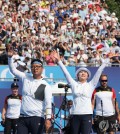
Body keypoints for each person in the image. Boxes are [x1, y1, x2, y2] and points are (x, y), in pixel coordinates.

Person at [51, 50, 108, 134]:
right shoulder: (73, 84)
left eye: (85, 72)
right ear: (77, 75)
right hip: (75, 114)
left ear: (88, 76)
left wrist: (106, 61)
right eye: (81, 72)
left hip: (87, 114)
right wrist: (59, 61)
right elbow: (66, 73)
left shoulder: (91, 84)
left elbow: (99, 72)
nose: (83, 73)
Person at [7, 48, 52, 134]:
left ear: (42, 69)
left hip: (37, 117)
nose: (35, 68)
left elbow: (48, 103)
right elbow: (13, 70)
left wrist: (48, 119)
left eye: (37, 66)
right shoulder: (25, 77)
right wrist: (10, 58)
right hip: (23, 118)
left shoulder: (45, 85)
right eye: (33, 66)